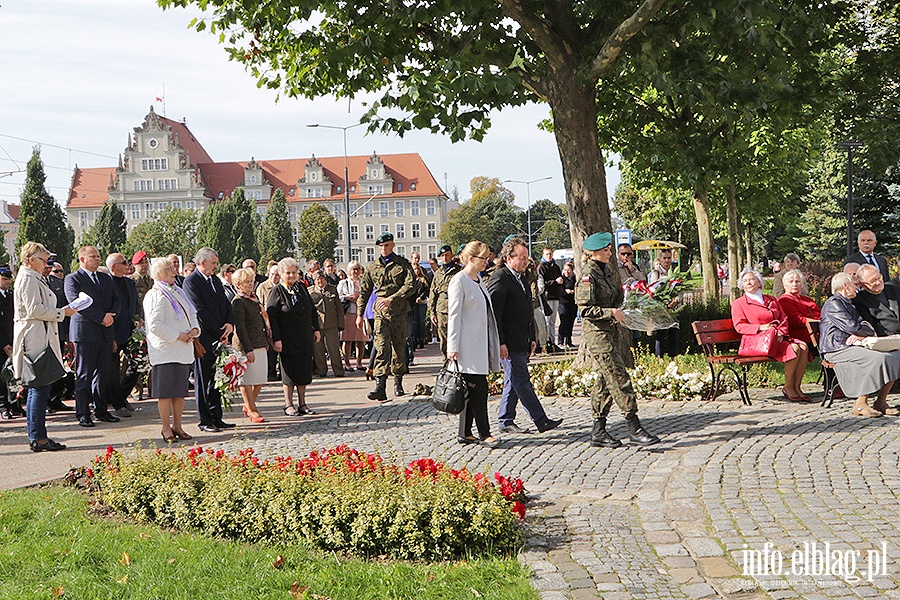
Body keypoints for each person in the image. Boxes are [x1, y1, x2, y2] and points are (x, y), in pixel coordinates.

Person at [576, 232, 659, 447]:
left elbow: (619, 296)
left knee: (605, 380)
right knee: (618, 376)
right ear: (594, 253)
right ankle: (634, 427)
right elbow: (586, 311)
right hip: (597, 335)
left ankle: (598, 431)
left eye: (609, 250)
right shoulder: (588, 276)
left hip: (611, 332)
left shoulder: (609, 272)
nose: (609, 253)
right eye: (606, 250)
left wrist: (632, 303)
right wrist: (611, 312)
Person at [486, 237, 563, 435]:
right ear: (508, 258)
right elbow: (494, 314)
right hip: (508, 342)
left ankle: (505, 419)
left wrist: (532, 337)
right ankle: (541, 419)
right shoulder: (500, 278)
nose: (525, 262)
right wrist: (500, 342)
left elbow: (527, 309)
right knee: (521, 380)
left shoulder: (521, 277)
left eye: (526, 258)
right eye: (520, 258)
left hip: (521, 339)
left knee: (513, 380)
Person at [13, 242, 78, 451]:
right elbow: (35, 309)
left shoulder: (33, 277)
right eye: (43, 260)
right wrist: (62, 313)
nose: (46, 265)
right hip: (35, 338)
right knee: (39, 389)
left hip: (39, 335)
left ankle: (38, 436)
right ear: (31, 259)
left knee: (39, 389)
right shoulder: (28, 278)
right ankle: (38, 438)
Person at [819, 272, 900, 417]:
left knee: (895, 356)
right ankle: (860, 404)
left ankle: (881, 402)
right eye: (855, 285)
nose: (857, 288)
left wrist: (863, 330)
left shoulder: (848, 303)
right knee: (877, 359)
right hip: (837, 348)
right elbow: (853, 327)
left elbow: (865, 325)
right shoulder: (834, 303)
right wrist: (862, 330)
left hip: (852, 346)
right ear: (845, 286)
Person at [447, 241, 501, 448]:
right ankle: (484, 433)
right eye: (483, 258)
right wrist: (452, 347)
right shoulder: (459, 281)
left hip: (479, 343)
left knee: (471, 390)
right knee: (479, 390)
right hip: (465, 346)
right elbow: (454, 316)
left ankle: (465, 432)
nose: (486, 262)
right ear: (471, 259)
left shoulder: (478, 280)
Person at [732, 269, 810, 402]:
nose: (749, 283)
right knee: (794, 349)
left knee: (803, 346)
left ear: (759, 282)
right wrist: (760, 328)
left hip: (776, 337)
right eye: (745, 281)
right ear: (742, 285)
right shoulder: (739, 303)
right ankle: (788, 387)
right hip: (758, 340)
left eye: (751, 279)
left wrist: (781, 331)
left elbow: (783, 318)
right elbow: (739, 326)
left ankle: (797, 387)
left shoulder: (771, 299)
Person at [144, 257, 200, 441]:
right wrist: (178, 335)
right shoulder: (156, 294)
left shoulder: (177, 291)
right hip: (166, 350)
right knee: (166, 393)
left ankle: (178, 425)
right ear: (159, 273)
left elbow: (191, 313)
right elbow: (155, 325)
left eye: (174, 268)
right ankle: (165, 427)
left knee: (180, 392)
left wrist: (194, 330)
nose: (174, 271)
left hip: (182, 349)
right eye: (169, 269)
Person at [65, 245, 122, 427]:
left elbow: (116, 299)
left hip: (105, 332)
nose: (97, 259)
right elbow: (77, 304)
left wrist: (111, 315)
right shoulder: (73, 279)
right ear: (82, 259)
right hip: (85, 334)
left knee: (103, 374)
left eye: (98, 256)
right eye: (92, 256)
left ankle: (101, 410)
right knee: (84, 375)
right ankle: (83, 413)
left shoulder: (105, 278)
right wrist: (101, 317)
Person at [356, 232, 415, 400]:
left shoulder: (402, 264)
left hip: (399, 313)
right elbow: (365, 291)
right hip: (380, 314)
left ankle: (398, 381)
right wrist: (360, 314)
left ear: (393, 245)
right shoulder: (372, 267)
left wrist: (392, 298)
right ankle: (380, 386)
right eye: (381, 246)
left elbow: (410, 286)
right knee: (381, 347)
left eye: (386, 245)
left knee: (399, 348)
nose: (383, 249)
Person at [183, 247, 235, 432]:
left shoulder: (214, 280)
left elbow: (226, 304)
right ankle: (205, 420)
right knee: (204, 379)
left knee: (216, 378)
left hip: (220, 335)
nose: (216, 267)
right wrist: (218, 331)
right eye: (213, 263)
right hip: (204, 338)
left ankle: (217, 417)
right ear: (202, 262)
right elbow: (199, 310)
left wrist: (229, 324)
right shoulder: (191, 282)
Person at [267, 257, 320, 416]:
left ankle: (302, 404)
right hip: (286, 338)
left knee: (304, 370)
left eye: (294, 273)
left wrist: (316, 329)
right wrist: (276, 339)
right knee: (289, 372)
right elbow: (272, 317)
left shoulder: (301, 288)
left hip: (304, 336)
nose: (291, 276)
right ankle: (288, 404)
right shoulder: (276, 291)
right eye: (288, 273)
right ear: (281, 274)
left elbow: (312, 310)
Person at [231, 267, 269, 423]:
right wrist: (248, 349)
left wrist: (265, 340)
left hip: (260, 342)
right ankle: (252, 409)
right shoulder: (238, 301)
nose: (250, 284)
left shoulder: (254, 298)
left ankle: (248, 404)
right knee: (246, 379)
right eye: (246, 282)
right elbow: (240, 328)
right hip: (246, 346)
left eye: (251, 281)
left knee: (259, 379)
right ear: (238, 284)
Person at [106, 252, 140, 418]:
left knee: (138, 363)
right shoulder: (107, 283)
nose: (127, 265)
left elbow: (136, 305)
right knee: (112, 371)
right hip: (113, 332)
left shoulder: (130, 283)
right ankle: (117, 404)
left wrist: (138, 319)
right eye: (124, 262)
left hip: (131, 331)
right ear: (114, 266)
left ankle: (121, 396)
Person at [310, 271, 345, 377]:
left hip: (331, 324)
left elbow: (339, 308)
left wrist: (341, 324)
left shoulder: (332, 289)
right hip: (317, 325)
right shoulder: (310, 291)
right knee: (318, 350)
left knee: (334, 349)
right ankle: (322, 371)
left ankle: (338, 371)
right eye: (317, 279)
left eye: (321, 278)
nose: (319, 281)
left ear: (325, 279)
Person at [429, 244, 462, 356]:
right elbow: (433, 292)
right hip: (441, 310)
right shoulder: (438, 273)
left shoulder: (459, 271)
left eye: (447, 255)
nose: (445, 258)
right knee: (443, 337)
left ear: (452, 255)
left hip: (456, 307)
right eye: (442, 256)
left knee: (457, 335)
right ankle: (445, 360)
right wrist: (432, 312)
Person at [776, 269, 821, 349]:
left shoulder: (807, 299)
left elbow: (819, 314)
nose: (794, 284)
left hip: (818, 332)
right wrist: (819, 322)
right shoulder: (784, 301)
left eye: (797, 281)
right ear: (784, 284)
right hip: (800, 336)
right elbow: (798, 320)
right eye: (791, 281)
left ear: (801, 284)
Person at [338, 260, 367, 372]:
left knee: (361, 340)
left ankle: (359, 363)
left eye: (357, 269)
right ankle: (347, 364)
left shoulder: (363, 282)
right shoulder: (343, 283)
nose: (355, 272)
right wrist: (348, 297)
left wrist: (360, 297)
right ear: (349, 270)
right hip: (349, 312)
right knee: (348, 339)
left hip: (360, 313)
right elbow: (338, 296)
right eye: (353, 269)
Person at [256, 263, 281, 381]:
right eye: (272, 275)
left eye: (277, 275)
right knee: (271, 349)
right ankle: (271, 372)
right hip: (268, 322)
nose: (274, 277)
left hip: (281, 321)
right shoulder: (262, 287)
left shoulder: (282, 286)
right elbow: (259, 304)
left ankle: (282, 371)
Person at [538, 246, 563, 353]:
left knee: (552, 321)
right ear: (543, 255)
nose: (549, 256)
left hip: (555, 296)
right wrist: (555, 281)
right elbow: (542, 283)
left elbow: (560, 278)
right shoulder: (541, 267)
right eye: (547, 254)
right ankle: (546, 343)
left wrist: (560, 282)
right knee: (547, 321)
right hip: (547, 297)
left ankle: (553, 342)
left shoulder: (556, 267)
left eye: (550, 254)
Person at [0, 268, 17, 420]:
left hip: (13, 341)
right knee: (2, 377)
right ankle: (4, 407)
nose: (7, 282)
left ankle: (14, 405)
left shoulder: (11, 296)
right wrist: (4, 344)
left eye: (9, 279)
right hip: (2, 344)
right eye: (4, 279)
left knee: (14, 375)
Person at [407, 263, 430, 356]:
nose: (416, 271)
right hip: (413, 303)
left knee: (421, 321)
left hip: (422, 302)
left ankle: (421, 339)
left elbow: (426, 290)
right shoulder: (411, 281)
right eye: (414, 269)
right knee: (414, 322)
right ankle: (415, 339)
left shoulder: (423, 280)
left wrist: (421, 297)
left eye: (417, 269)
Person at [557, 261, 577, 349]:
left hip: (572, 303)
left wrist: (573, 291)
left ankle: (569, 340)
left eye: (569, 270)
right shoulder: (561, 279)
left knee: (571, 321)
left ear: (572, 271)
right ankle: (560, 341)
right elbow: (559, 291)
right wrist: (565, 291)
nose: (567, 272)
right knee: (564, 321)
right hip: (563, 302)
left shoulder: (575, 279)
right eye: (565, 270)